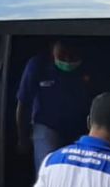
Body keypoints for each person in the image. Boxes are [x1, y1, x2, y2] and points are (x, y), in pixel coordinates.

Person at [17, 39, 94, 173]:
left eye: (73, 55)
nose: (68, 60)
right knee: (47, 171)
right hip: (47, 125)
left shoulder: (89, 67)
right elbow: (23, 103)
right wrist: (22, 137)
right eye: (63, 54)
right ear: (52, 48)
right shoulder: (38, 65)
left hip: (81, 126)